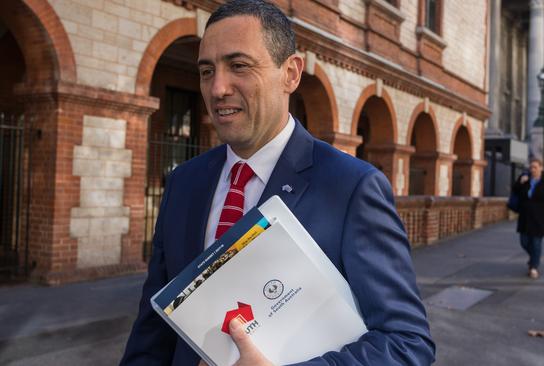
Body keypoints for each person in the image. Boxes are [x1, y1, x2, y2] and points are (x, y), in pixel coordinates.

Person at [120, 1, 435, 365]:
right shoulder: (183, 182)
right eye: (207, 70)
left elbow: (407, 343)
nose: (217, 87)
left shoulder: (351, 187)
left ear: (291, 74)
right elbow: (152, 331)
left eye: (238, 66)